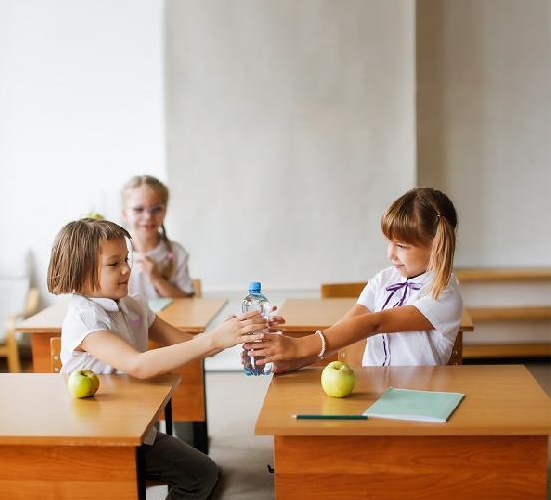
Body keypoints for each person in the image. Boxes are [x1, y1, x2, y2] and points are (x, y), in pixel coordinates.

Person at [47, 218, 268, 499]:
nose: (127, 269)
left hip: (133, 424)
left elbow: (191, 345)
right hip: (99, 436)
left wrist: (233, 331)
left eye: (126, 259)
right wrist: (215, 339)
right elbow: (139, 365)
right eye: (114, 264)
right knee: (200, 476)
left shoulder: (132, 303)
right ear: (78, 271)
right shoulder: (84, 318)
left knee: (204, 473)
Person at [247, 187, 463, 370]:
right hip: (375, 390)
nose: (390, 254)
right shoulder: (384, 279)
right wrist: (291, 361)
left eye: (401, 246)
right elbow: (341, 331)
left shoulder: (443, 293)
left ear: (435, 247)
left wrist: (298, 346)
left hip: (420, 396)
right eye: (390, 242)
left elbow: (374, 324)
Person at [121, 175, 193, 299]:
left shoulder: (176, 252)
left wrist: (156, 279)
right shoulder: (113, 253)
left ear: (165, 212)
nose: (148, 216)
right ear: (125, 214)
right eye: (139, 209)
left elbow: (186, 300)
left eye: (156, 209)